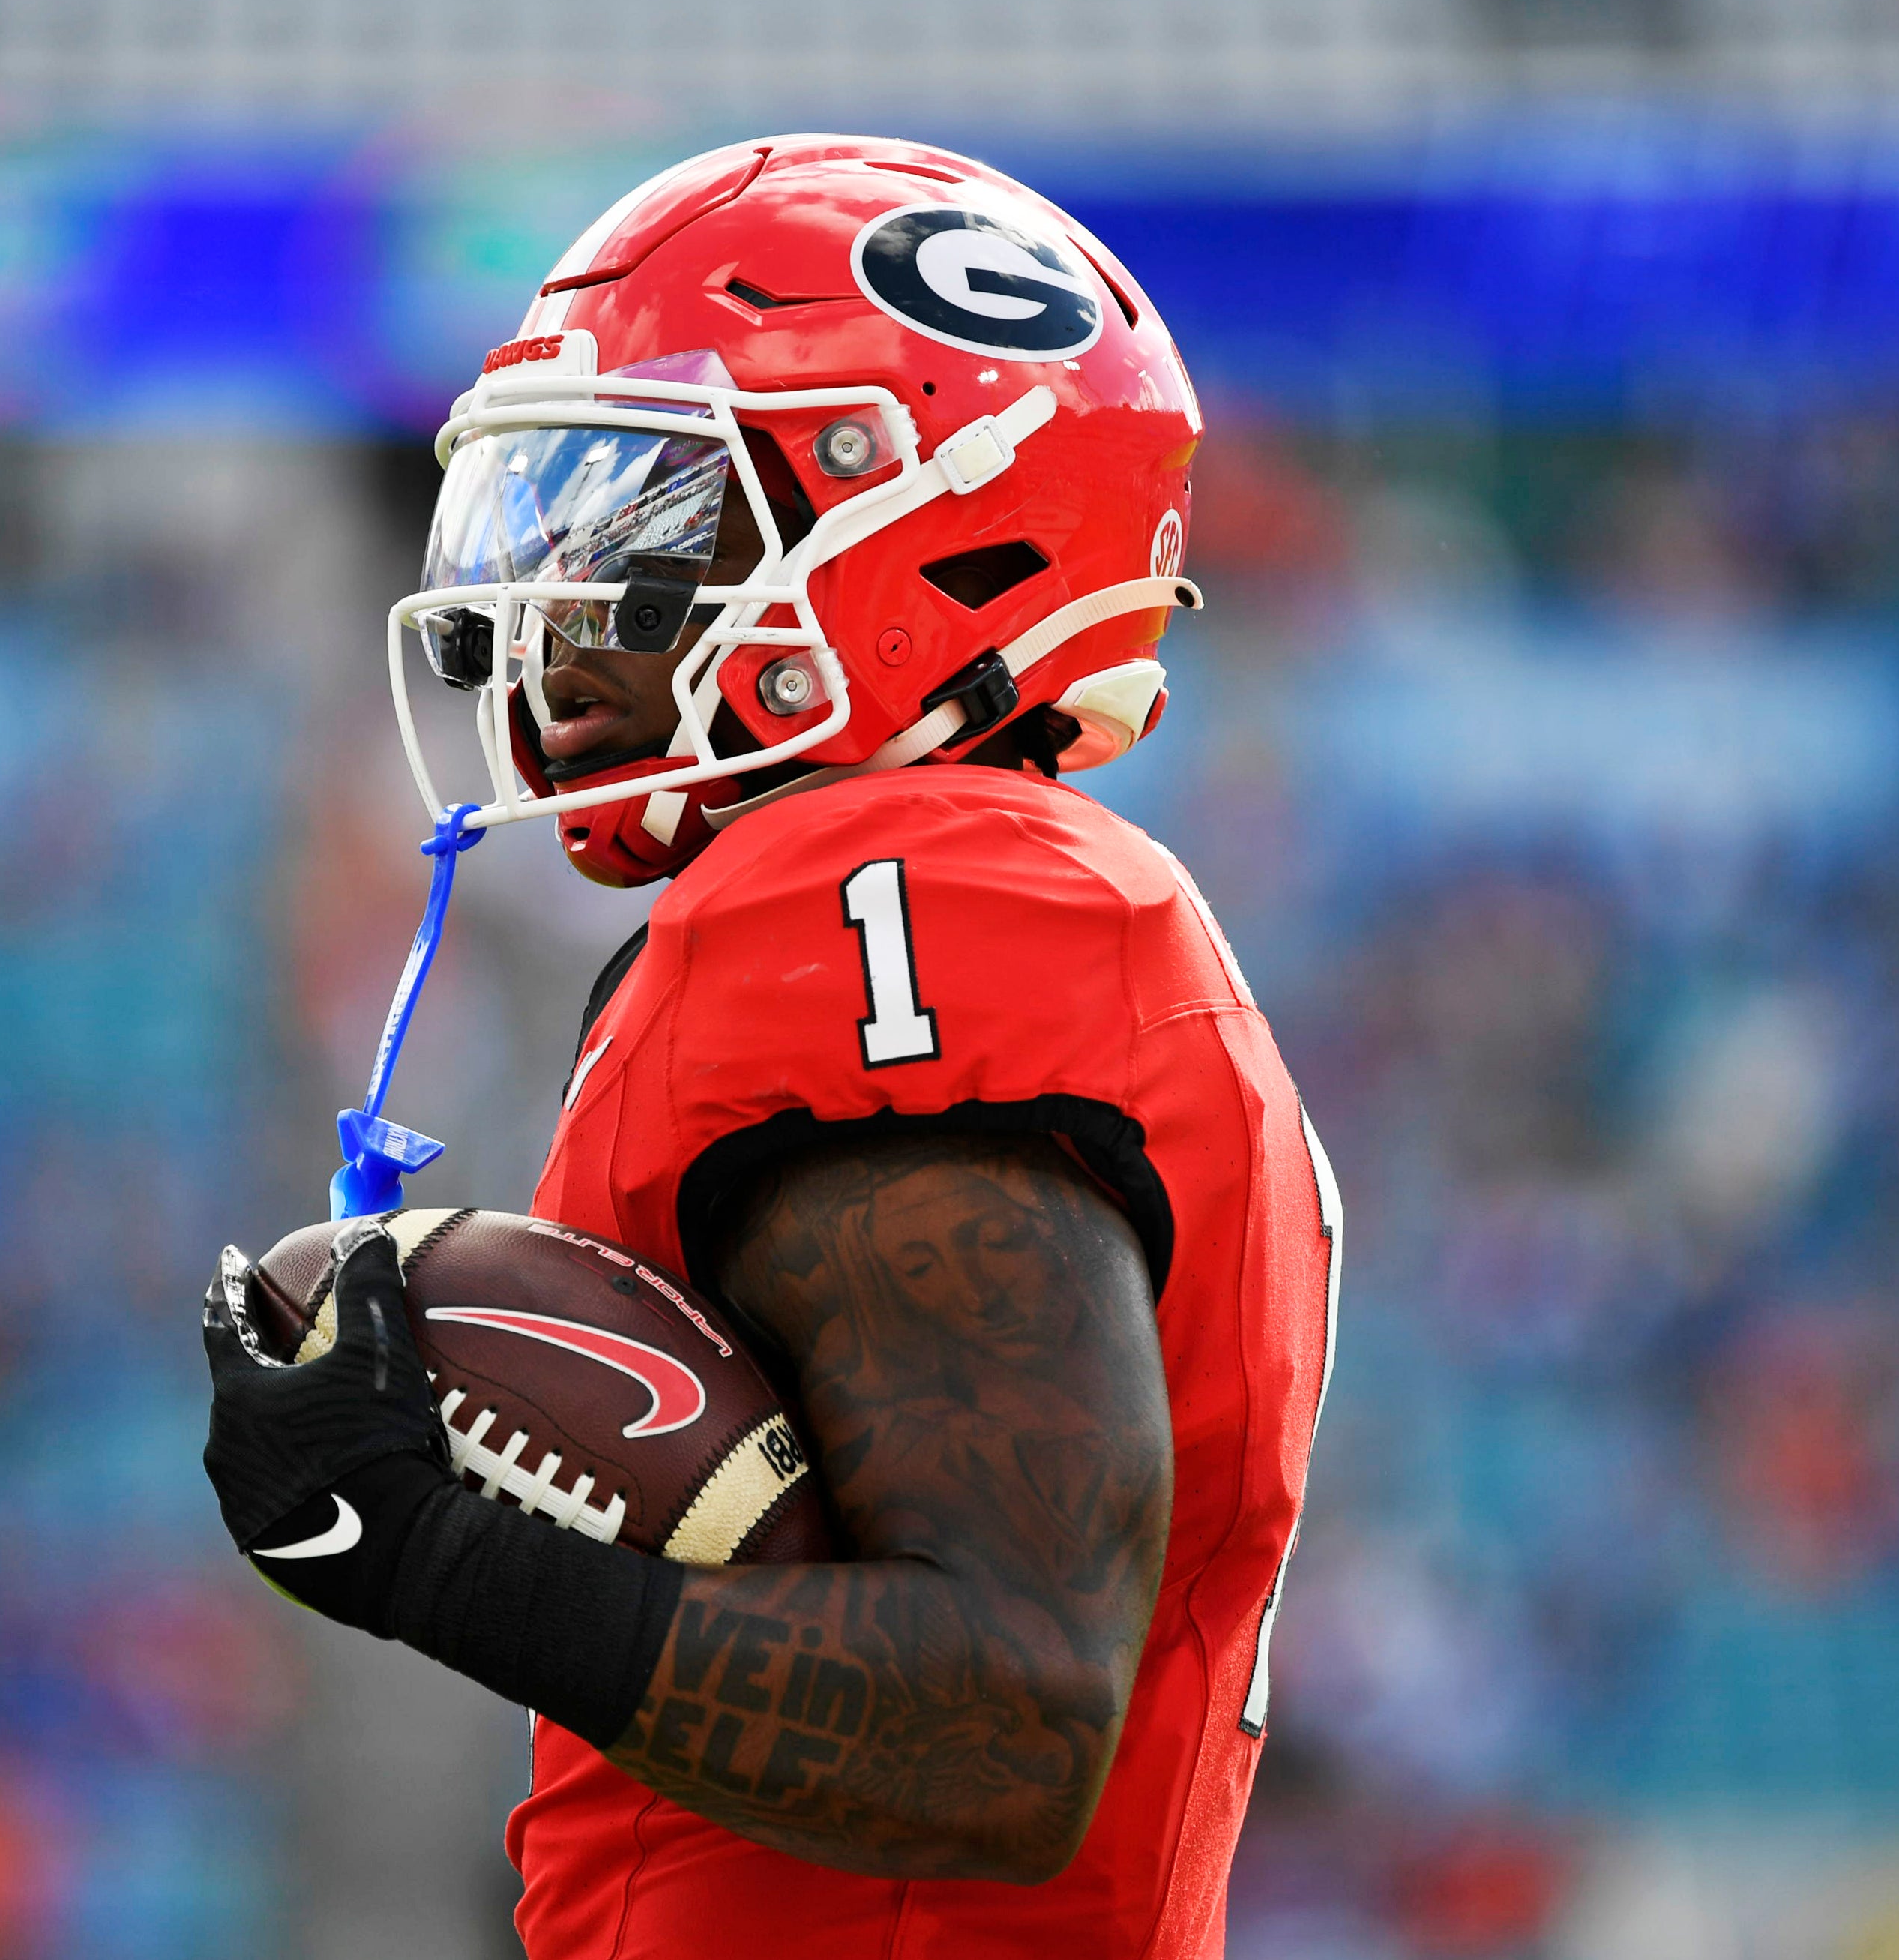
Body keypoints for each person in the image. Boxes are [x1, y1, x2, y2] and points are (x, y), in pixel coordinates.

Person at [199, 136, 1340, 1958]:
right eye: (556, 506)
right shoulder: (921, 894)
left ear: (914, 519)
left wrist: (425, 1551)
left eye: (651, 512)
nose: (551, 599)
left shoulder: (904, 894)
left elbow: (1000, 1729)